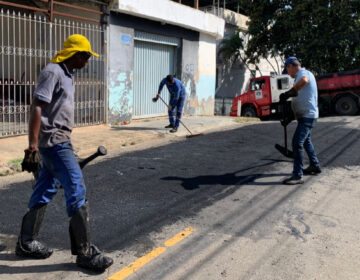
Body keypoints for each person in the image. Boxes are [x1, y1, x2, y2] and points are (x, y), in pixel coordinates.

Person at [16, 34, 113, 271]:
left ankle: (26, 243)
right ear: (76, 54)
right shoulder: (53, 72)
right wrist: (32, 145)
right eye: (87, 56)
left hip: (59, 143)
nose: (88, 61)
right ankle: (85, 252)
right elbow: (37, 106)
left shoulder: (68, 75)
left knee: (44, 191)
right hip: (54, 144)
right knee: (76, 189)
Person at [280, 57, 321, 185]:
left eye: (288, 71)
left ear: (291, 66)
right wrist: (290, 117)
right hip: (305, 115)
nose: (289, 75)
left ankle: (297, 176)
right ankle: (315, 165)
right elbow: (301, 99)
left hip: (308, 116)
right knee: (306, 141)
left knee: (297, 143)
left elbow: (304, 81)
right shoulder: (299, 77)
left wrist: (288, 93)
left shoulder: (303, 73)